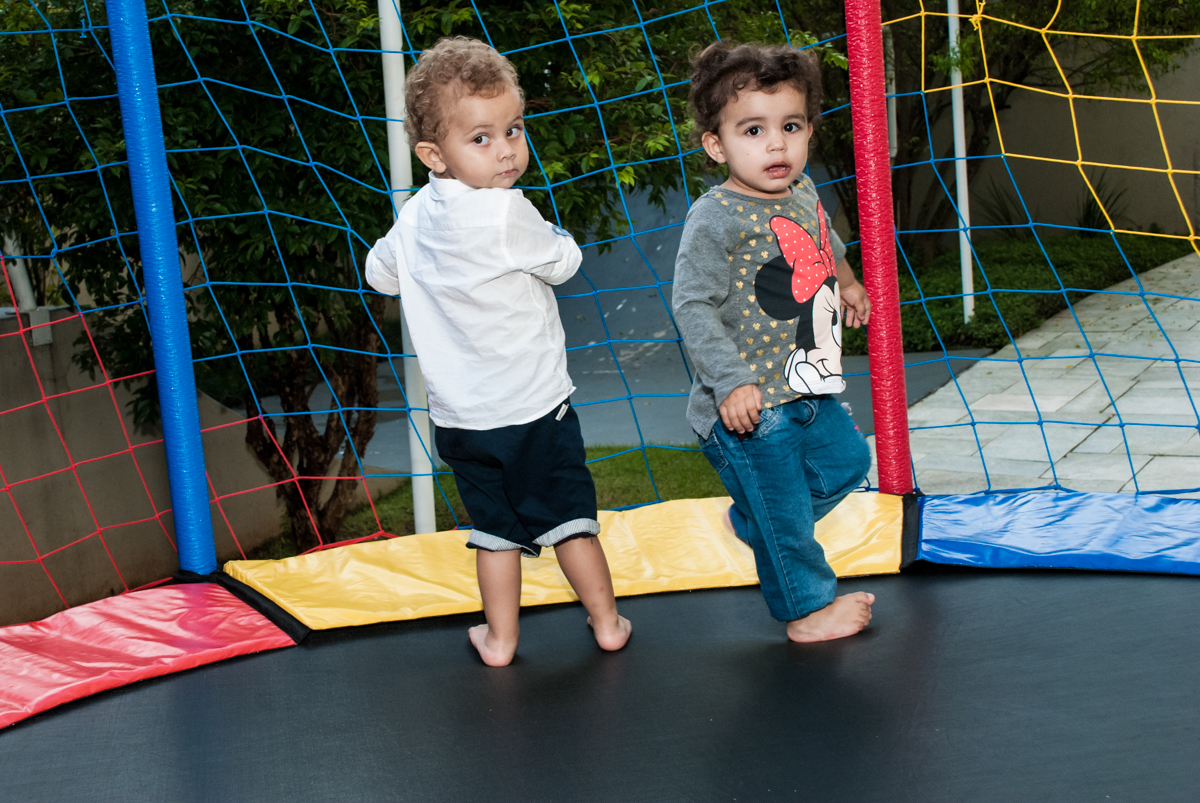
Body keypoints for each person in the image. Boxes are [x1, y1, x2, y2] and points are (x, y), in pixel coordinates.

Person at [364, 37, 631, 666]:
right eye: (480, 138)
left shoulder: (416, 213)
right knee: (568, 517)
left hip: (461, 420)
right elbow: (565, 262)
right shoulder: (506, 213)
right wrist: (554, 240)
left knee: (494, 532)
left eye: (513, 129)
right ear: (434, 152)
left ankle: (501, 640)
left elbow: (380, 275)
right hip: (535, 408)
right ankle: (608, 621)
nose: (506, 149)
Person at [672, 41, 876, 642]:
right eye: (753, 130)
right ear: (717, 145)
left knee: (848, 464)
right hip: (751, 408)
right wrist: (731, 382)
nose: (776, 145)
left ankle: (762, 521)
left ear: (810, 129)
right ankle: (806, 614)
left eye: (790, 126)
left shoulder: (804, 190)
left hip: (808, 381)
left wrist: (846, 281)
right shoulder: (716, 218)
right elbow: (692, 305)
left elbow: (825, 239)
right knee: (787, 518)